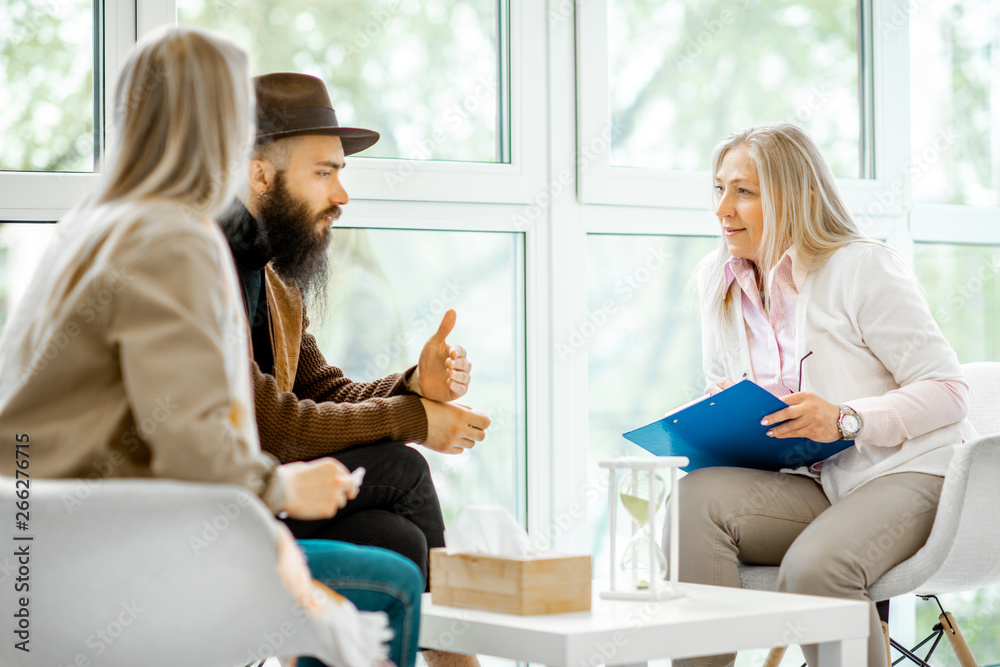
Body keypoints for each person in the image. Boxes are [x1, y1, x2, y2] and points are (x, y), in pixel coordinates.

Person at [0, 27, 421, 667]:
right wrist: (280, 488)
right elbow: (192, 439)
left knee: (381, 534)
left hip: (33, 548)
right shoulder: (174, 237)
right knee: (393, 583)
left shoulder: (85, 231)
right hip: (110, 560)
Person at [668, 123, 976, 667]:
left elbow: (950, 391)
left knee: (814, 568)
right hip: (810, 483)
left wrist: (846, 419)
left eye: (745, 191)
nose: (723, 209)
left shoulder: (861, 266)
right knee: (693, 501)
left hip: (907, 472)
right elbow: (730, 385)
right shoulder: (717, 280)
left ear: (798, 197)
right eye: (719, 189)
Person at [219, 71, 491, 667]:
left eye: (340, 173)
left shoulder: (274, 277)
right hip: (213, 511)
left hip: (269, 501)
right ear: (259, 172)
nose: (342, 195)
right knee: (403, 465)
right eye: (325, 172)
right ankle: (457, 660)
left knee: (396, 542)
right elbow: (274, 425)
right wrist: (415, 420)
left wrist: (412, 385)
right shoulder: (201, 267)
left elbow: (325, 390)